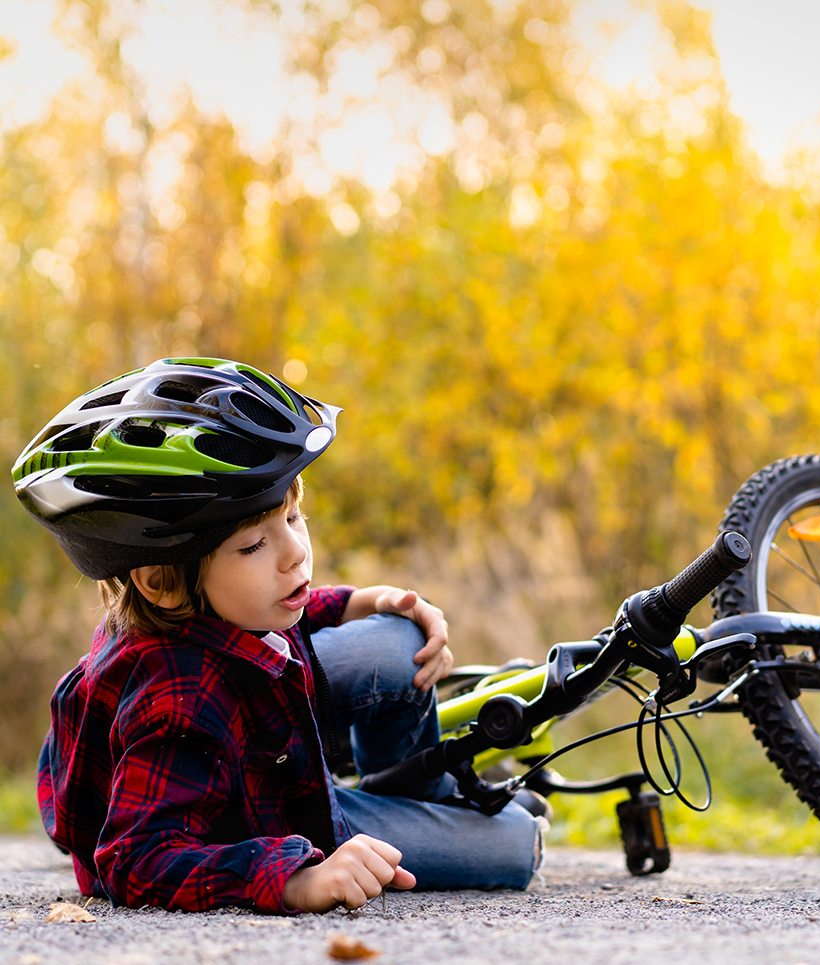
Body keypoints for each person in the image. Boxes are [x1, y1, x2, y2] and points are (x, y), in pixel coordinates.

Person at [12, 358, 542, 914]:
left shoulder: (213, 606)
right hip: (253, 827)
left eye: (292, 518)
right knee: (514, 844)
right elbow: (135, 862)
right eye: (252, 546)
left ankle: (418, 803)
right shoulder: (179, 700)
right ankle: (399, 819)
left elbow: (292, 608)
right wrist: (295, 880)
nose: (295, 553)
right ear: (161, 583)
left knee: (396, 639)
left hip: (262, 762)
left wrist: (371, 600)